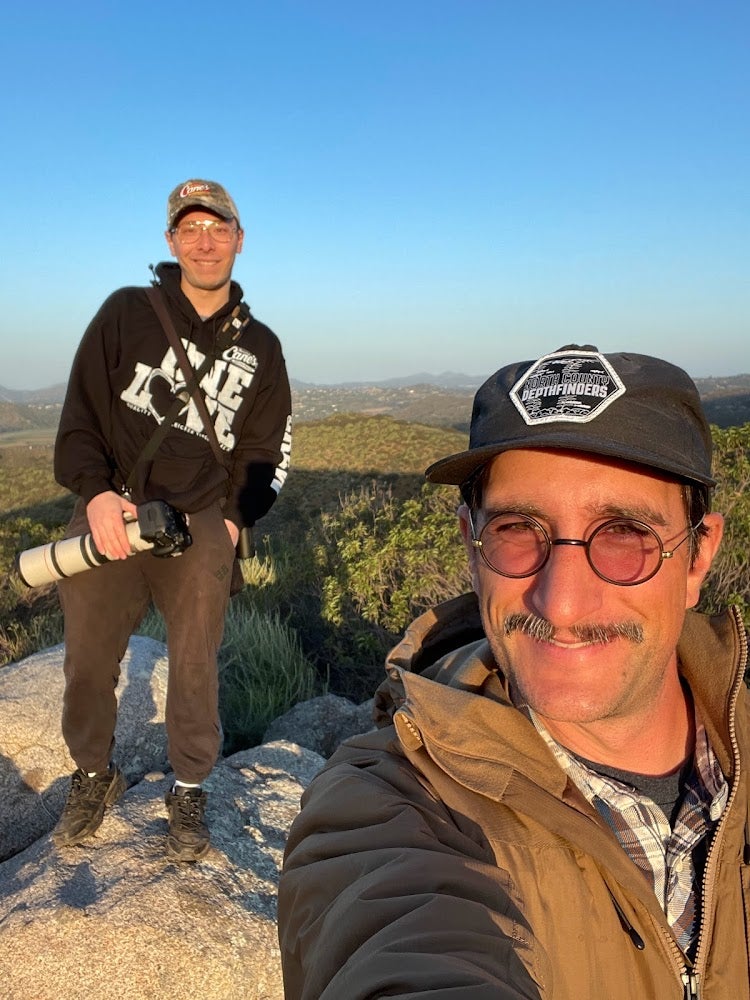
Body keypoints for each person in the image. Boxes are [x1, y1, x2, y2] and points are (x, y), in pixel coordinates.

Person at [278, 344, 749, 998]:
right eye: (517, 530)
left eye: (624, 534)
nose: (561, 603)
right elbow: (399, 940)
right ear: (472, 548)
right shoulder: (395, 804)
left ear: (698, 556)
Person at [52, 179, 292, 862]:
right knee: (88, 659)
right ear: (171, 241)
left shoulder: (261, 347)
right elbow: (81, 413)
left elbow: (267, 448)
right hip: (114, 508)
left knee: (194, 664)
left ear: (239, 239)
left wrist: (235, 521)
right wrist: (97, 494)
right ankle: (92, 774)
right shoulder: (127, 312)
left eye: (218, 228)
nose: (205, 242)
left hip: (201, 520)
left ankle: (188, 787)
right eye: (190, 229)